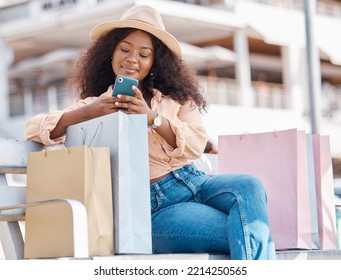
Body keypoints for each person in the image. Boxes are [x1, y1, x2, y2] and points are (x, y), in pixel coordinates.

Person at [25, 5, 276, 260]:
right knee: (249, 229)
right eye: (124, 49)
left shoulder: (175, 99)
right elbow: (33, 128)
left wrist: (153, 118)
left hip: (195, 181)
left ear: (155, 62)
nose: (133, 59)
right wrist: (90, 112)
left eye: (144, 54)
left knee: (250, 186)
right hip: (153, 209)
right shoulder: (96, 106)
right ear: (110, 55)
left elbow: (197, 143)